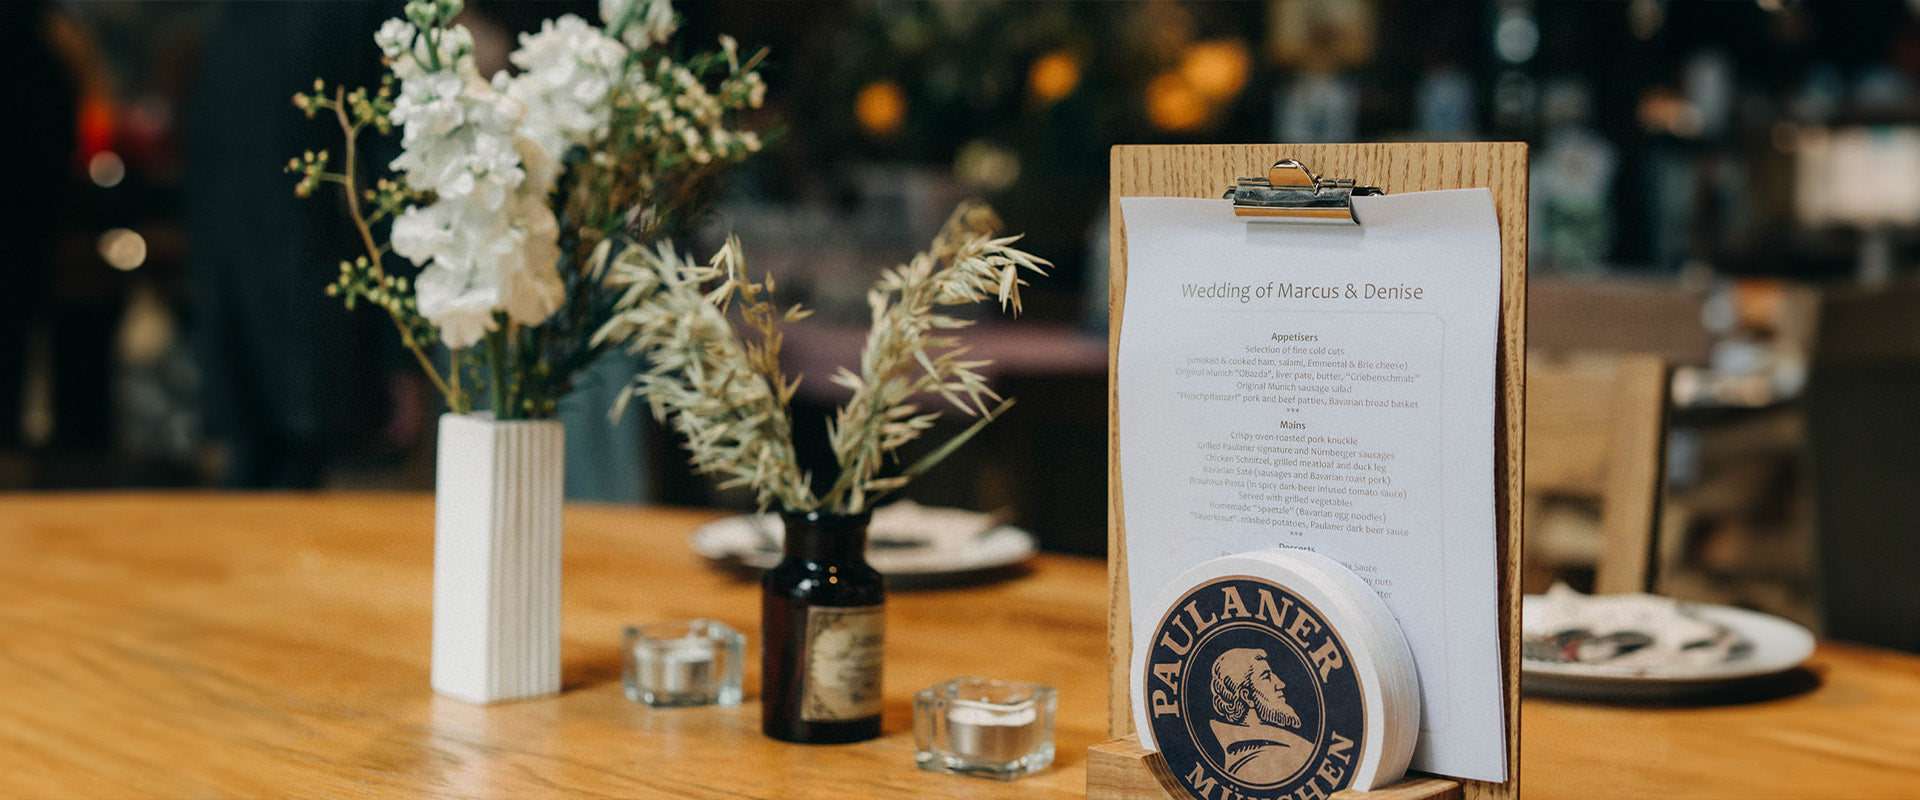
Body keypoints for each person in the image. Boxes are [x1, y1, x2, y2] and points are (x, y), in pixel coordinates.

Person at [1207, 647, 1314, 785]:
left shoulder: (1275, 745)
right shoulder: (1253, 765)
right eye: (1267, 677)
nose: (1280, 684)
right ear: (1247, 697)